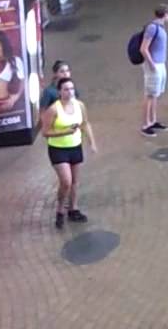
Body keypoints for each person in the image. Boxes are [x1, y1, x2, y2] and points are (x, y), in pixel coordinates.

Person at [40, 77, 97, 229]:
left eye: (72, 88)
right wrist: (65, 132)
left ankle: (73, 208)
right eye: (66, 89)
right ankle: (60, 209)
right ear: (60, 91)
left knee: (74, 182)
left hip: (75, 146)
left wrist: (91, 142)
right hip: (58, 149)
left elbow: (85, 123)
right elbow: (45, 132)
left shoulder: (80, 105)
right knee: (66, 181)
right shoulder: (53, 109)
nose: (70, 92)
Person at [140, 4, 168, 137]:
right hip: (154, 65)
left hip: (160, 64)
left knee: (155, 94)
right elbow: (143, 48)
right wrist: (151, 64)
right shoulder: (153, 28)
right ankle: (146, 124)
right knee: (150, 94)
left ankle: (153, 120)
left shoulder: (159, 28)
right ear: (166, 14)